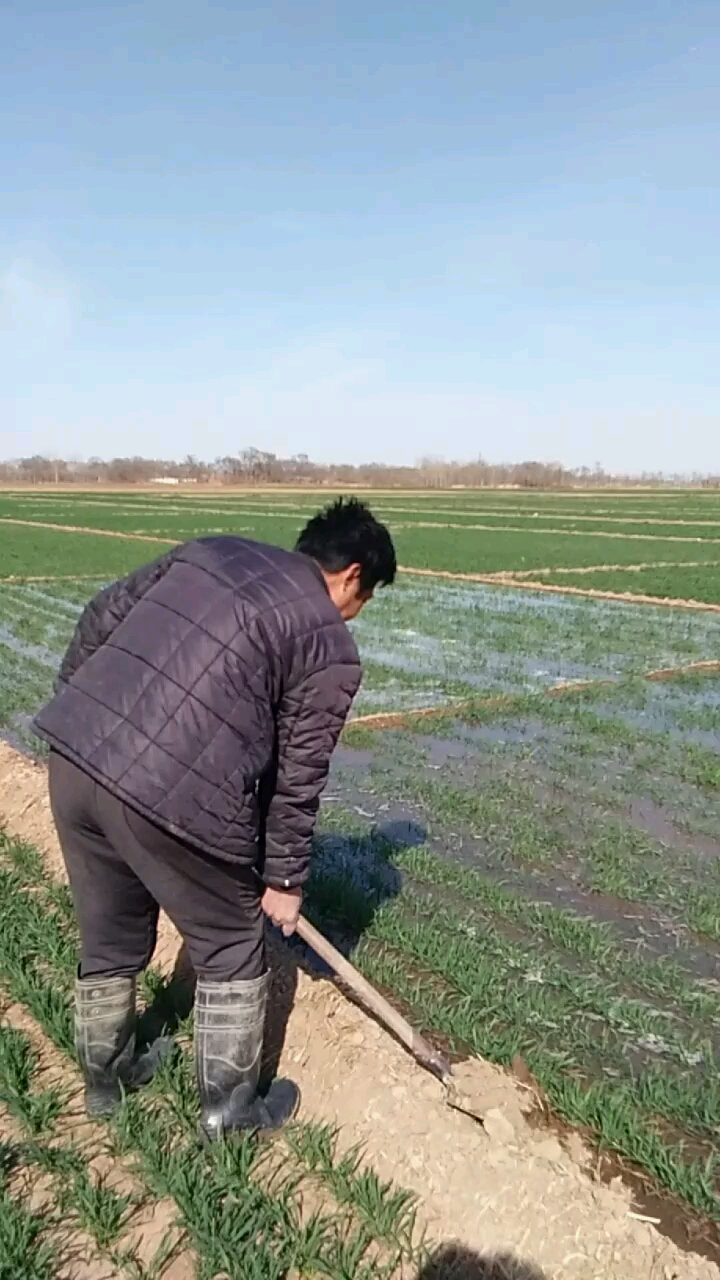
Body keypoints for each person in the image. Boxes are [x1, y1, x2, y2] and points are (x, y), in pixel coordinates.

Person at [33, 496, 396, 1139]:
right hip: (170, 796)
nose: (355, 614)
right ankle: (230, 1115)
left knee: (108, 932)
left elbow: (100, 616)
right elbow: (298, 775)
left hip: (74, 758)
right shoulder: (329, 644)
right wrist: (283, 881)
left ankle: (105, 1079)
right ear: (351, 576)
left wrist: (81, 717)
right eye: (364, 598)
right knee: (231, 945)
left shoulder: (211, 550)